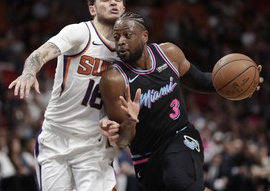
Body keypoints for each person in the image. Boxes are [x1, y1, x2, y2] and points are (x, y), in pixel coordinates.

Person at [99, 12, 263, 191]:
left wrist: (241, 84)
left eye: (127, 35)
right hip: (146, 158)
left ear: (144, 36)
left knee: (177, 180)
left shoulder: (169, 53)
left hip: (181, 136)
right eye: (116, 37)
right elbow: (122, 141)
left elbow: (199, 80)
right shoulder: (113, 80)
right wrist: (130, 122)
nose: (121, 41)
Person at [8, 0, 125, 191]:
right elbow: (41, 53)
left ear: (124, 8)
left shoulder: (127, 49)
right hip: (56, 137)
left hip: (94, 143)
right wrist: (28, 72)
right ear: (92, 9)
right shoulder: (79, 32)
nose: (113, 3)